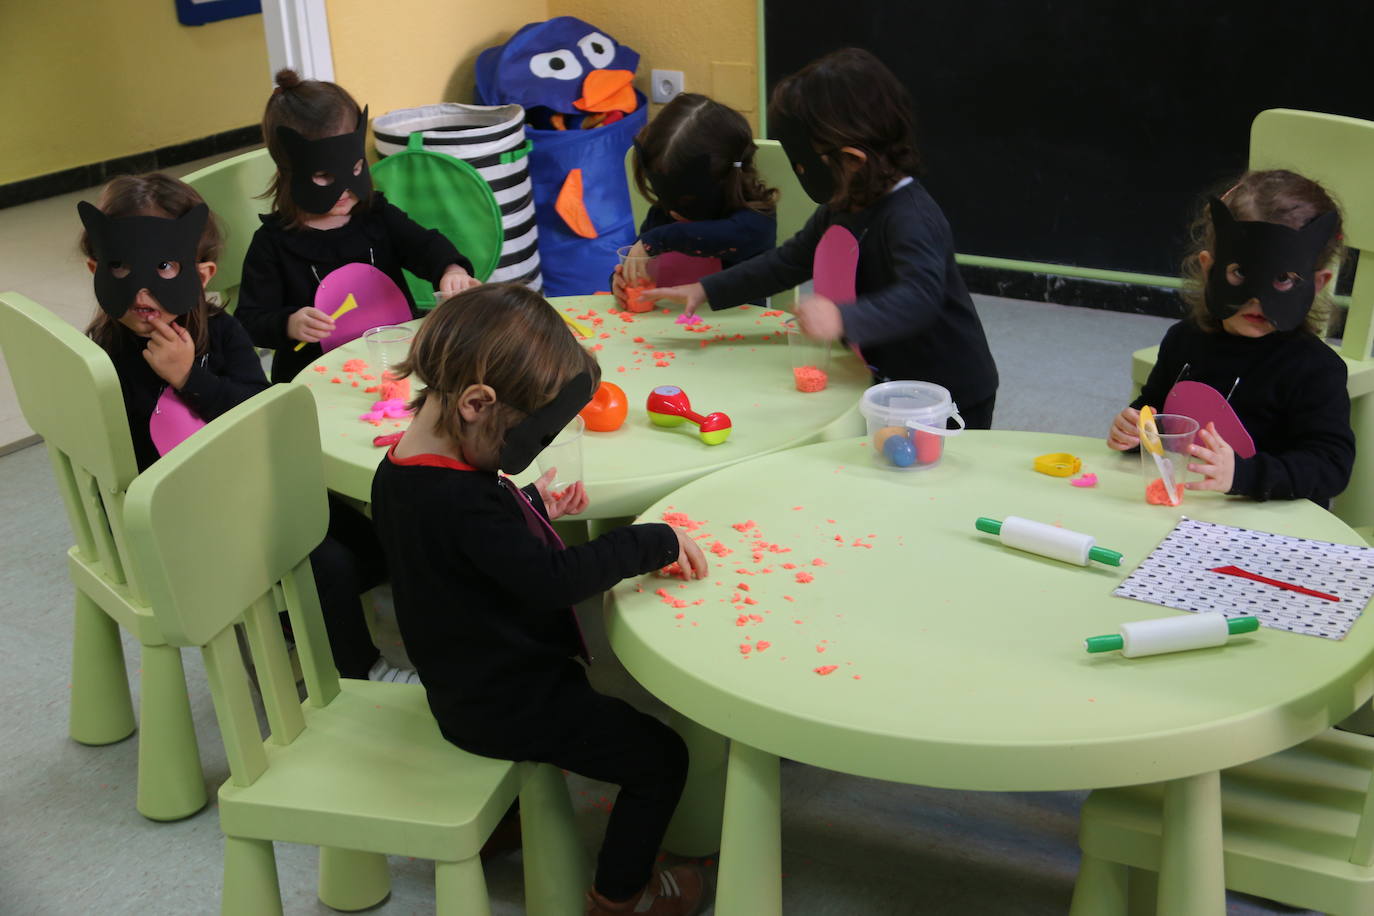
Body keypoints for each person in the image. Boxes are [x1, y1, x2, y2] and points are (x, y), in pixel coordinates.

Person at [371, 283, 708, 915]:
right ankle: (622, 896)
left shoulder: (400, 468)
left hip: (458, 685)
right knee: (661, 758)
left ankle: (505, 822)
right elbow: (552, 581)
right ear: (477, 403)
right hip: (509, 703)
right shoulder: (467, 505)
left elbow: (454, 548)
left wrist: (530, 507)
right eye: (526, 435)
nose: (531, 452)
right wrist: (647, 543)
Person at [80, 172, 400, 683]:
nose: (143, 291)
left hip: (248, 483)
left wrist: (192, 379)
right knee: (328, 565)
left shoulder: (221, 332)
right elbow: (116, 467)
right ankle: (361, 669)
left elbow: (258, 409)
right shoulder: (103, 360)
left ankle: (288, 621)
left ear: (202, 273)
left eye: (163, 266)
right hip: (181, 517)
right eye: (121, 266)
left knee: (376, 543)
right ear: (97, 269)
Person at [643, 48, 999, 428]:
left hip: (947, 393)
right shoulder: (844, 203)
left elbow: (919, 298)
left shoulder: (912, 218)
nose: (798, 171)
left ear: (851, 160)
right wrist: (706, 289)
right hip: (888, 380)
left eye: (802, 162)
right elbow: (789, 261)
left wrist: (841, 316)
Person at [1107, 169, 1354, 505]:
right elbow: (1156, 410)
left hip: (1269, 524)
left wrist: (1242, 475)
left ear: (1317, 284)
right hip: (1182, 504)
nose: (1257, 299)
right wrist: (1134, 428)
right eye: (1240, 273)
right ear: (1210, 268)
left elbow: (1330, 466)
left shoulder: (1315, 369)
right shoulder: (1184, 340)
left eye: (1282, 279)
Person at [236, 68, 479, 383]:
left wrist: (451, 270)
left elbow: (424, 246)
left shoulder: (376, 216)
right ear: (289, 172)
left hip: (397, 361)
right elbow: (250, 320)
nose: (344, 189)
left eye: (354, 168)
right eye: (324, 177)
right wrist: (289, 323)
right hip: (318, 377)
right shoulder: (273, 243)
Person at [612, 92, 776, 306]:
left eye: (687, 199)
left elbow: (732, 237)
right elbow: (639, 259)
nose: (671, 211)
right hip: (664, 330)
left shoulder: (753, 221)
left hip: (739, 331)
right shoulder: (661, 218)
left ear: (724, 180)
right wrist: (622, 281)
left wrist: (658, 240)